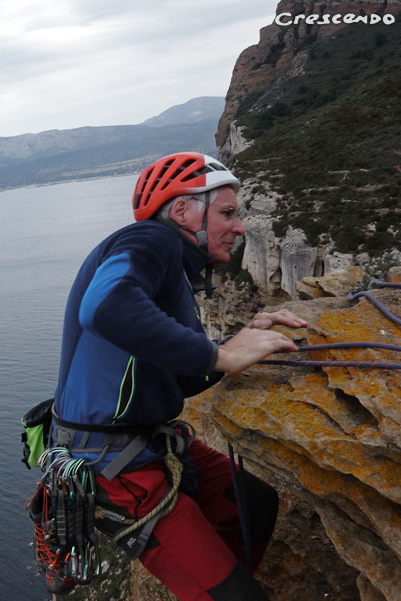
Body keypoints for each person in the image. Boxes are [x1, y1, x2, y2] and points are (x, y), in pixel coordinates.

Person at [52, 152, 307, 601]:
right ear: (184, 210)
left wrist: (236, 342)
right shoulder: (151, 239)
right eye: (227, 213)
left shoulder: (173, 274)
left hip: (144, 444)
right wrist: (220, 357)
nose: (240, 227)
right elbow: (105, 306)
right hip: (114, 464)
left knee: (254, 505)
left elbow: (184, 378)